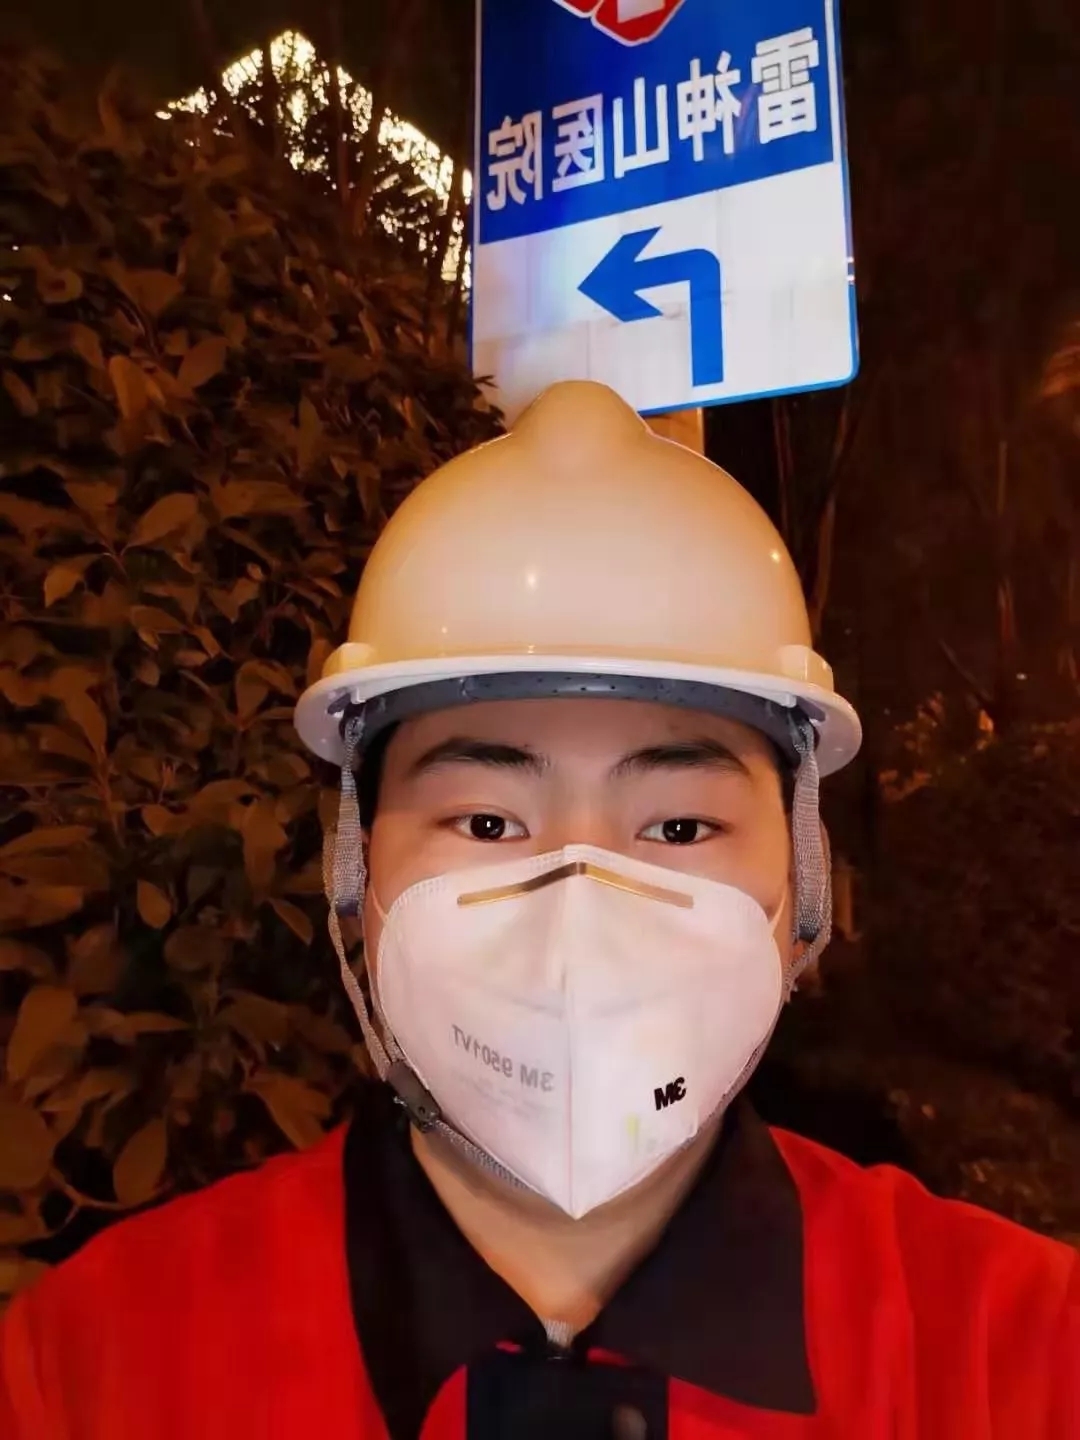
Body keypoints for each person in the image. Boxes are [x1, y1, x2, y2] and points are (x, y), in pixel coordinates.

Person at [1, 381, 1076, 1438]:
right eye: (487, 822)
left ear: (800, 887)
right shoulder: (93, 1368)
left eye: (678, 827)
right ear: (354, 878)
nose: (580, 915)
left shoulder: (1015, 1353)